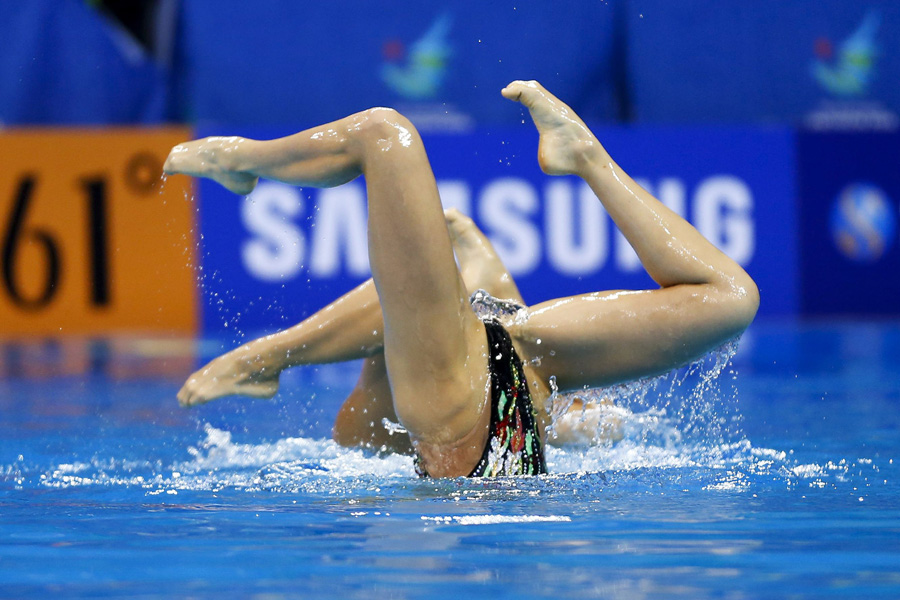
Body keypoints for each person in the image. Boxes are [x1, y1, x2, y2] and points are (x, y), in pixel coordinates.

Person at [164, 81, 759, 478]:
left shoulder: (377, 428)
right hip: (511, 386)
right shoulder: (401, 413)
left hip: (485, 395)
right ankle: (585, 156)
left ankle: (242, 169)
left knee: (384, 134)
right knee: (731, 301)